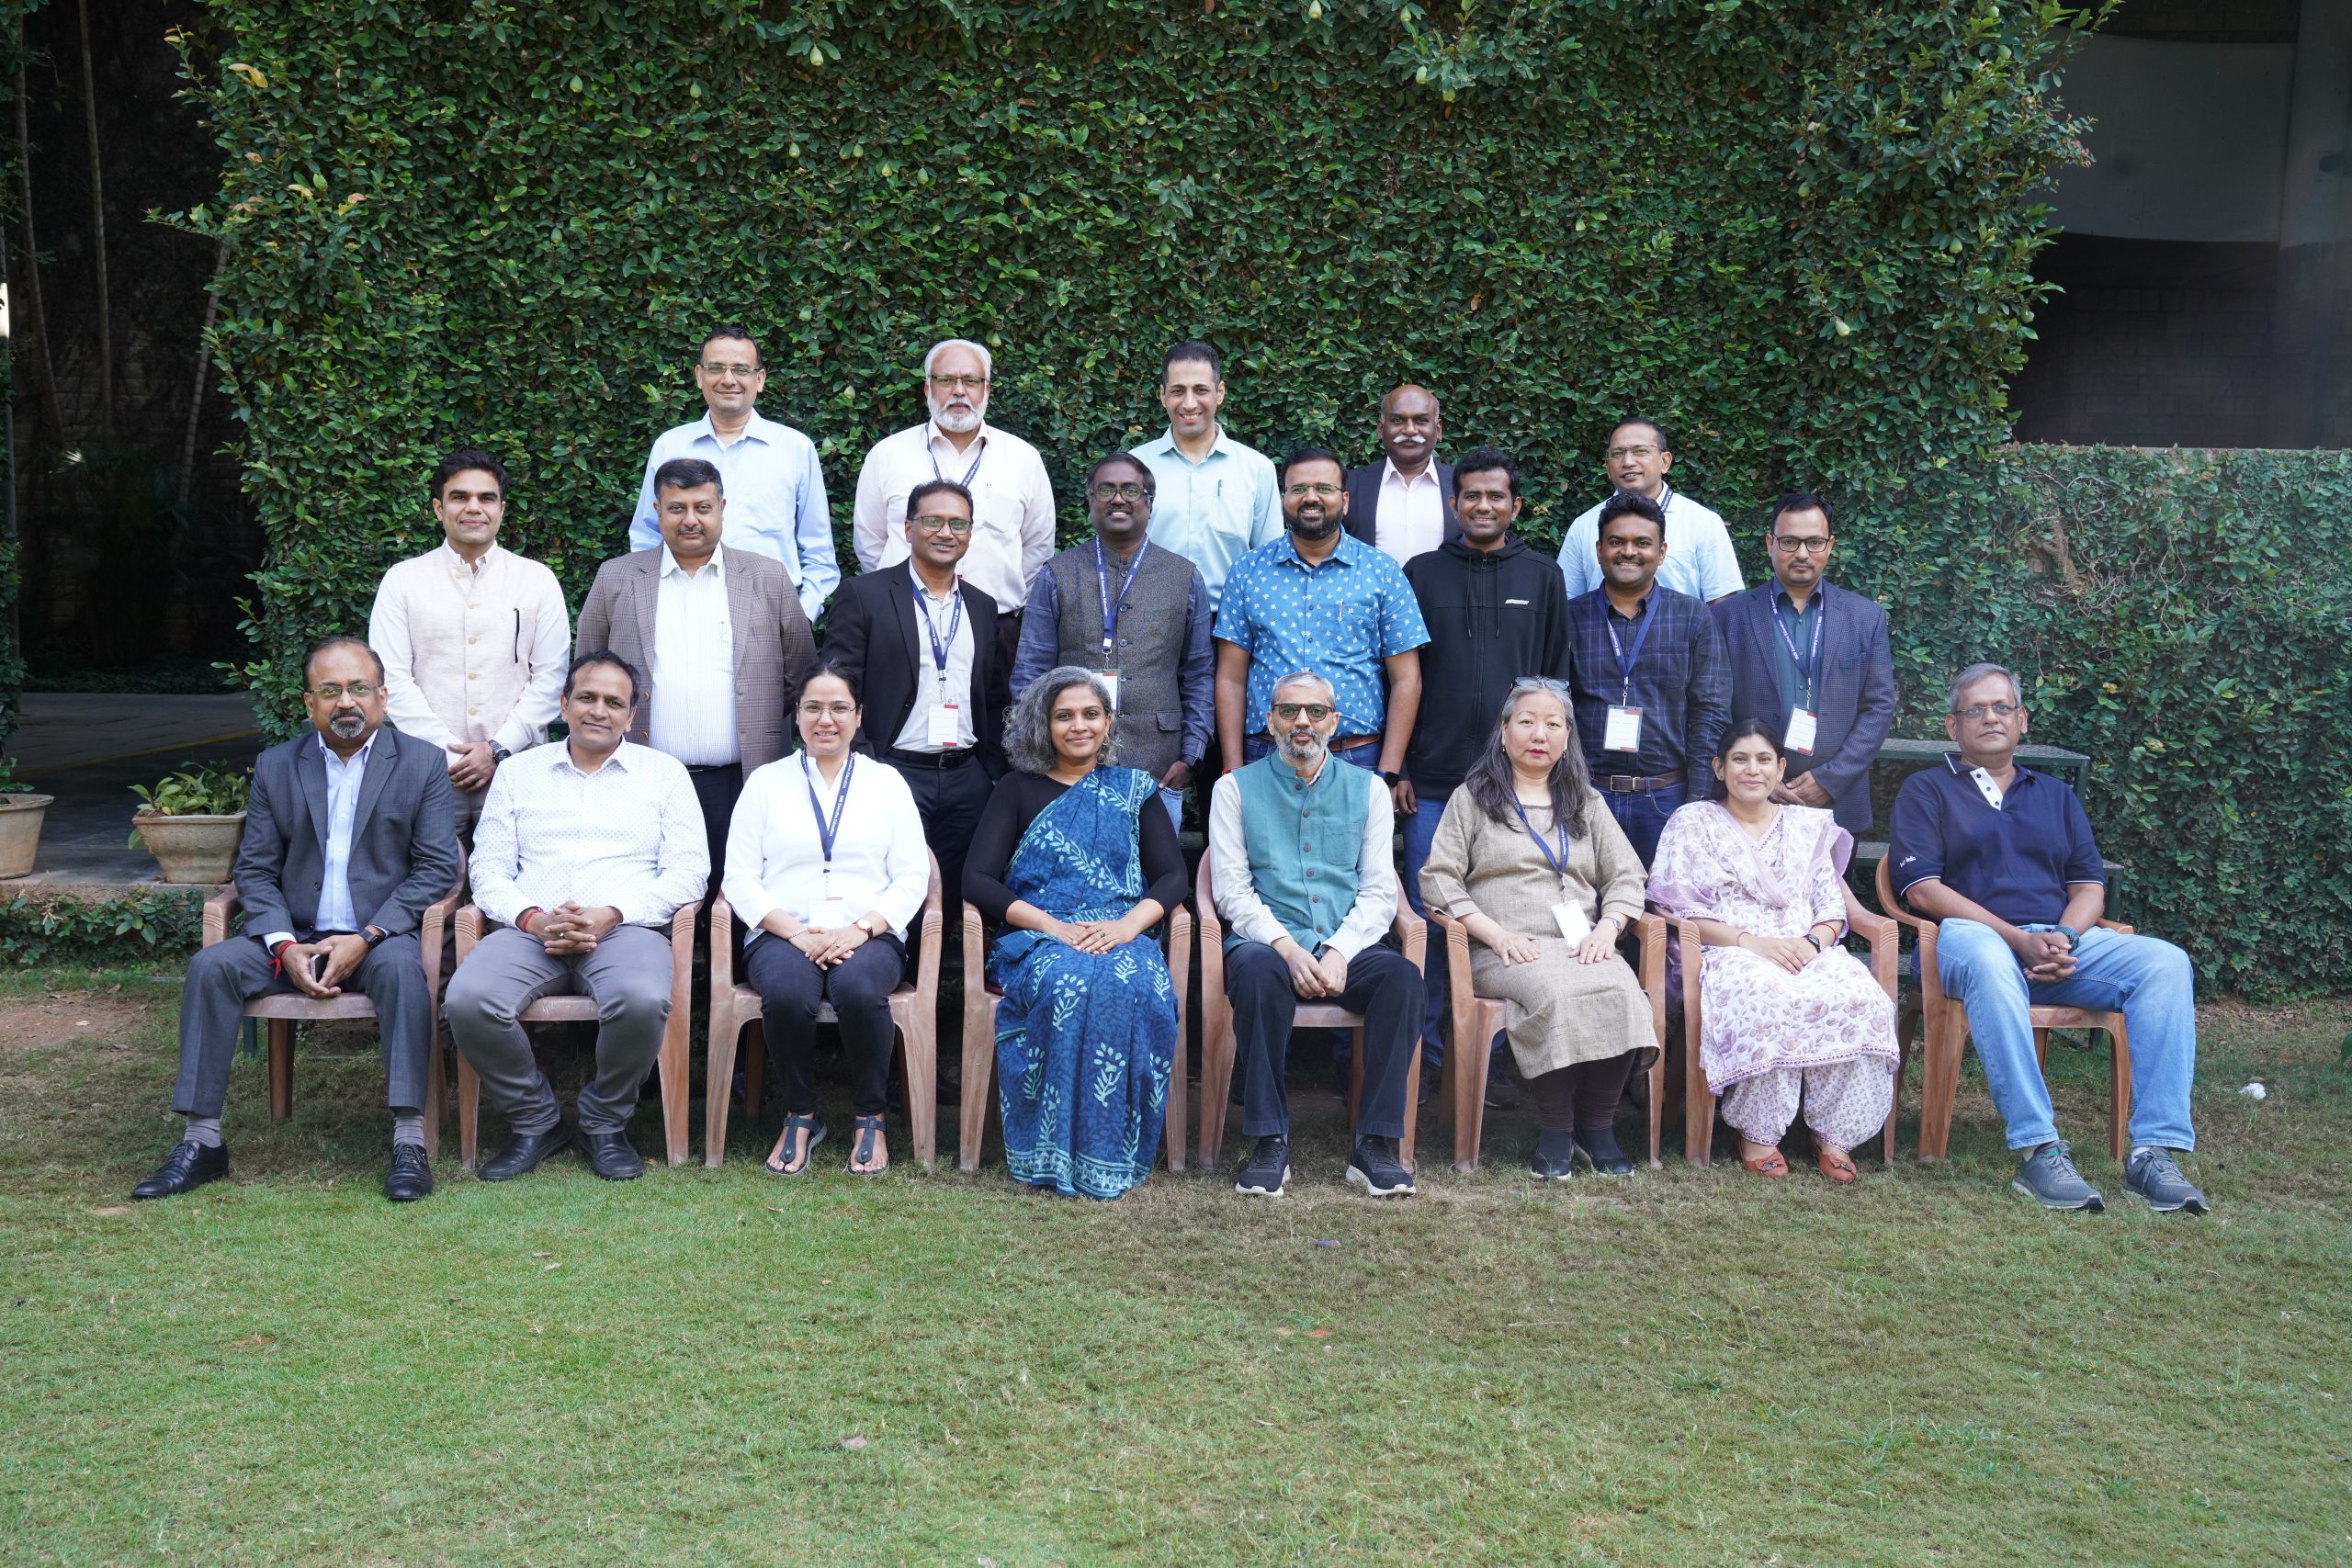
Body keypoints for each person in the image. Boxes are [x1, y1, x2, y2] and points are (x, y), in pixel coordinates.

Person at [131, 637, 460, 1204]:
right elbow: (255, 870)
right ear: (310, 705)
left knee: (407, 975)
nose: (346, 702)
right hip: (293, 938)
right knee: (212, 966)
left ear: (383, 697)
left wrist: (366, 937)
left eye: (359, 688)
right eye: (330, 691)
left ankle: (409, 1141)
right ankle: (201, 1141)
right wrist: (283, 944)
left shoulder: (422, 763)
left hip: (379, 939)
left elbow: (434, 870)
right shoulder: (278, 765)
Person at [1888, 664, 2207, 1214]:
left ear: (2022, 719)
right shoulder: (1926, 790)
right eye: (1975, 710)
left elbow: (2088, 887)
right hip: (1968, 940)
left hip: (2057, 942)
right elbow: (1921, 890)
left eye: (2002, 707)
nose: (1991, 717)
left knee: (2165, 963)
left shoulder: (2054, 795)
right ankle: (2039, 1148)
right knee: (1989, 957)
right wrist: (2017, 939)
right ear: (1951, 726)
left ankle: (2154, 1154)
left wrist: (2061, 938)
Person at [445, 653, 709, 1182]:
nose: (599, 711)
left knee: (641, 999)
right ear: (564, 704)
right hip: (531, 930)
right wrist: (532, 918)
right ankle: (537, 1122)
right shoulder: (519, 773)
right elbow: (489, 867)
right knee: (467, 1000)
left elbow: (690, 873)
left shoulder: (665, 775)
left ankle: (603, 1122)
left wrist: (613, 913)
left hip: (627, 928)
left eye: (615, 702)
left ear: (632, 717)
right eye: (587, 698)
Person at [961, 669, 1186, 1200]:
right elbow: (976, 878)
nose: (1078, 726)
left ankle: (1111, 1150)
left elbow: (1173, 875)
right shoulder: (1015, 789)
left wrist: (1126, 927)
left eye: (1090, 714)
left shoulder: (1134, 790)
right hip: (1039, 936)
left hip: (1120, 930)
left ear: (1108, 722)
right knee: (1068, 983)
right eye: (1064, 715)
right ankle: (1053, 1148)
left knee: (1131, 986)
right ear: (1044, 724)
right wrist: (1052, 927)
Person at [1419, 681, 1655, 1180]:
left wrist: (1607, 931)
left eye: (1553, 724)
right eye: (1526, 722)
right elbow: (1438, 879)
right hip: (1503, 949)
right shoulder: (1473, 799)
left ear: (1568, 737)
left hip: (1581, 944)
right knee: (1554, 992)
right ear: (1504, 733)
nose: (1539, 734)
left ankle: (1597, 1127)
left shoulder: (1585, 802)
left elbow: (1627, 876)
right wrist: (1496, 935)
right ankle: (1555, 1131)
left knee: (1624, 990)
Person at [1646, 719, 1899, 1180]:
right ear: (1719, 768)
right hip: (1732, 950)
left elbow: (1832, 909)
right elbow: (1677, 910)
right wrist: (1753, 944)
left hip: (1806, 947)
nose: (1752, 769)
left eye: (1764, 760)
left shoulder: (1807, 826)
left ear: (1780, 768)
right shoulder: (1693, 823)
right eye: (1739, 759)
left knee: (1859, 998)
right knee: (1766, 998)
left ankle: (1834, 1134)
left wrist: (1810, 944)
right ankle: (1758, 1133)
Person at [1400, 447, 1572, 1108]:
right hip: (1436, 784)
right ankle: (1427, 1057)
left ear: (1514, 505)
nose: (1482, 505)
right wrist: (1404, 767)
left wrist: (1546, 772)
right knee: (1433, 916)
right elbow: (1404, 676)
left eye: (1495, 496)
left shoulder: (1544, 575)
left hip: (1515, 788)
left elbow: (1557, 682)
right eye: (1470, 495)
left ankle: (1497, 1062)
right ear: (1454, 502)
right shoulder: (1421, 574)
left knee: (1507, 917)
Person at [1210, 671, 1424, 1200]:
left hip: (1345, 947)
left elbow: (1380, 892)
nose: (1300, 722)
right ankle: (1268, 1140)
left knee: (1402, 980)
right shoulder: (1233, 789)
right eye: (1287, 711)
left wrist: (1336, 951)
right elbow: (1232, 892)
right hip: (1266, 944)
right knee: (1258, 975)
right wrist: (1287, 947)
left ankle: (1374, 1144)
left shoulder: (1370, 789)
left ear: (1334, 721)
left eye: (1313, 712)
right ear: (1269, 721)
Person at [722, 664, 932, 1178]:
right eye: (813, 707)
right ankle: (800, 1114)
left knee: (861, 989)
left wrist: (859, 929)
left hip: (868, 931)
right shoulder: (765, 784)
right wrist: (794, 933)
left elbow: (911, 874)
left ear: (858, 716)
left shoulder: (887, 783)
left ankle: (870, 1116)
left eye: (839, 707)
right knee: (789, 993)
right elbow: (740, 876)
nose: (826, 719)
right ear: (797, 716)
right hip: (782, 932)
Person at [578, 456, 817, 884]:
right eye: (677, 508)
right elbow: (588, 671)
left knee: (742, 902)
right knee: (653, 905)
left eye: (702, 508)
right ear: (657, 512)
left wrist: (755, 721)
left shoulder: (767, 577)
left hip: (744, 780)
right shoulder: (616, 578)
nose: (690, 520)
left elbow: (800, 674)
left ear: (722, 507)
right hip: (643, 782)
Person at [821, 479, 1011, 911]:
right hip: (892, 769)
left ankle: (943, 976)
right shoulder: (864, 595)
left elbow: (994, 696)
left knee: (961, 893)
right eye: (934, 521)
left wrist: (991, 769)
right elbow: (838, 688)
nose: (947, 533)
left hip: (967, 775)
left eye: (958, 523)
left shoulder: (982, 606)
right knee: (891, 890)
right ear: (909, 529)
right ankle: (893, 973)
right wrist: (866, 760)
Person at [368, 449, 570, 840]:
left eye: (486, 498)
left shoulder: (537, 580)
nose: (473, 507)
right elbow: (390, 679)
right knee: (431, 888)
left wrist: (497, 749)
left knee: (516, 884)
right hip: (426, 770)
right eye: (459, 497)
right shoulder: (403, 580)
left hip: (518, 767)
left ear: (501, 509)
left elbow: (551, 678)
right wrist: (447, 754)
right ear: (438, 508)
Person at [1010, 452, 1213, 829]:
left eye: (1131, 490)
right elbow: (1030, 674)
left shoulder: (1184, 576)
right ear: (1089, 502)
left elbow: (1199, 672)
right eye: (1106, 490)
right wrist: (1039, 753)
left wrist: (1191, 755)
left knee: (1154, 878)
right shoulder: (1056, 574)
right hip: (1068, 765)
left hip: (1159, 765)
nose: (1118, 499)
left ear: (1149, 504)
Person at [1214, 446, 1429, 778]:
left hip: (1355, 756)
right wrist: (1232, 766)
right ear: (1284, 499)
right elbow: (1230, 678)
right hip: (1265, 753)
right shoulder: (1247, 571)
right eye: (1298, 489)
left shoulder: (1381, 572)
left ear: (1344, 501)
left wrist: (1389, 770)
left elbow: (1407, 679)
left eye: (1323, 489)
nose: (1310, 497)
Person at [852, 337, 1057, 672]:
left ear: (987, 390)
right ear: (927, 389)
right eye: (946, 380)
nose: (959, 391)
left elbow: (1037, 546)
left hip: (996, 631)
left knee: (995, 725)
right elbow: (870, 542)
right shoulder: (887, 455)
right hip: (901, 627)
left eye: (971, 381)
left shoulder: (1023, 459)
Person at [1711, 494, 1896, 832]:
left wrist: (1831, 779)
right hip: (1750, 799)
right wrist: (1760, 777)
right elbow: (1714, 707)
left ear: (1830, 545)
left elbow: (1879, 707)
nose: (1801, 553)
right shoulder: (1728, 617)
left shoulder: (1865, 617)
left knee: (1833, 888)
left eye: (1814, 542)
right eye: (1789, 541)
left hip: (1837, 802)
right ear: (1770, 544)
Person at [1563, 491, 1730, 864]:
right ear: (1599, 548)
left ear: (1662, 551)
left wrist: (1699, 801)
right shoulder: (1568, 618)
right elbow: (1554, 708)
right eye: (1616, 542)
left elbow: (1711, 711)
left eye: (1642, 543)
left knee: (1668, 915)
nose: (1628, 551)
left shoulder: (1692, 617)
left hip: (1667, 799)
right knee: (1587, 912)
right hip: (1585, 797)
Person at [628, 324, 837, 621]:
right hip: (682, 611)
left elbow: (819, 554)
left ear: (759, 379)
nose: (728, 380)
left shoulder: (794, 449)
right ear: (700, 376)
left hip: (770, 614)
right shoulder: (670, 446)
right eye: (716, 368)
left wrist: (800, 618)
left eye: (741, 369)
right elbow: (645, 536)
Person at [1132, 340, 1283, 613]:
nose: (1189, 403)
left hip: (1229, 627)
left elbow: (1271, 563)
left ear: (1220, 393)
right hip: (1149, 622)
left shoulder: (1257, 469)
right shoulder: (1134, 466)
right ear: (1163, 394)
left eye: (1200, 390)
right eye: (1178, 391)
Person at [1555, 418, 1743, 604]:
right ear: (1608, 468)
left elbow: (1723, 605)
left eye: (1640, 451)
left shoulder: (1702, 522)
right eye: (1618, 453)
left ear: (1665, 462)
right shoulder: (1583, 526)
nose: (1628, 462)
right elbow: (1565, 604)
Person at [1342, 383, 1456, 563]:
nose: (1409, 430)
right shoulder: (1349, 485)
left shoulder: (1461, 486)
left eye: (1421, 420)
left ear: (1438, 429)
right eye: (1397, 420)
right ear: (1380, 429)